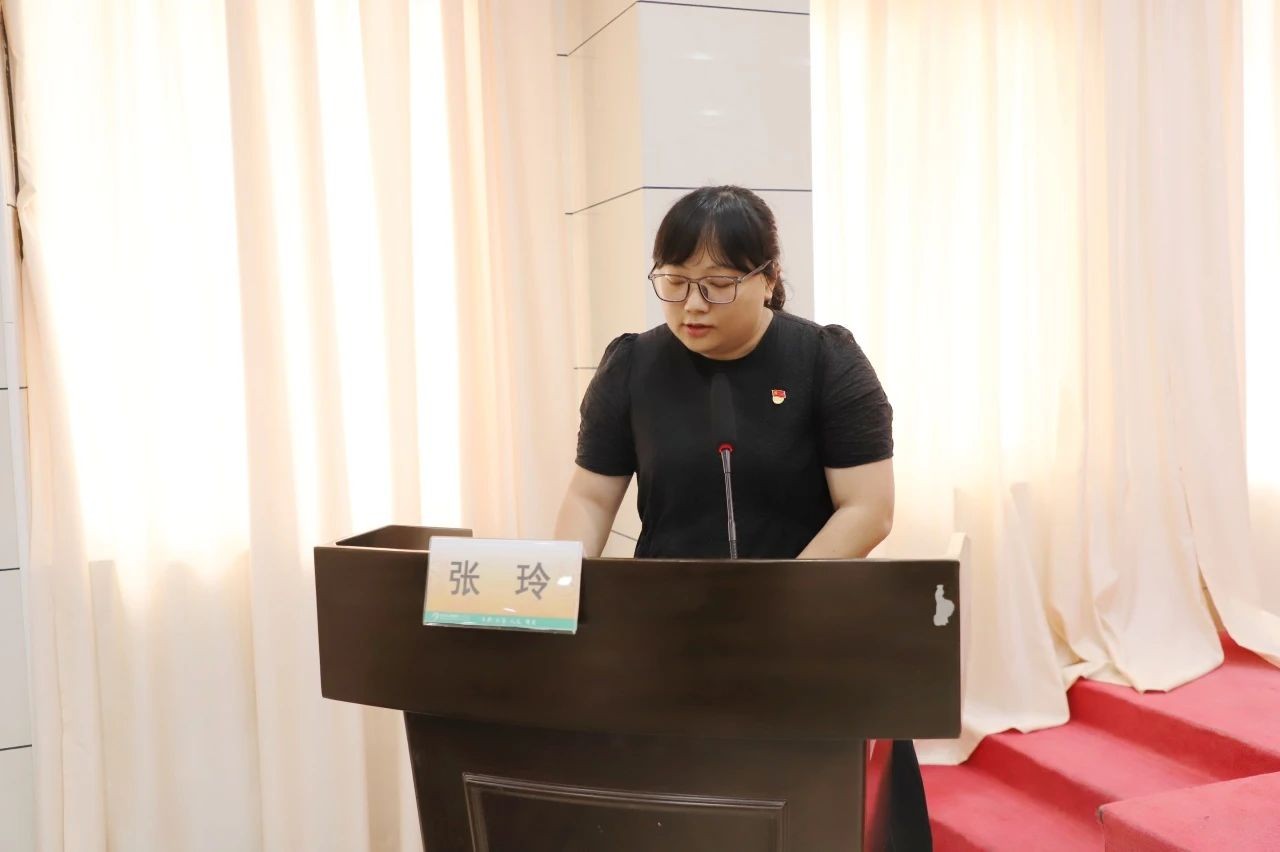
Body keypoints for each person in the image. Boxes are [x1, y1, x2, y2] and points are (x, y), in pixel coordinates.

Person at [553, 185, 932, 850]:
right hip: (671, 640)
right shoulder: (632, 367)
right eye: (674, 282)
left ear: (769, 279)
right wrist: (561, 589)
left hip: (805, 636)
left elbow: (868, 509)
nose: (692, 305)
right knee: (685, 820)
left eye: (718, 284)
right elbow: (589, 498)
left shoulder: (825, 361)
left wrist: (774, 605)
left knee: (810, 821)